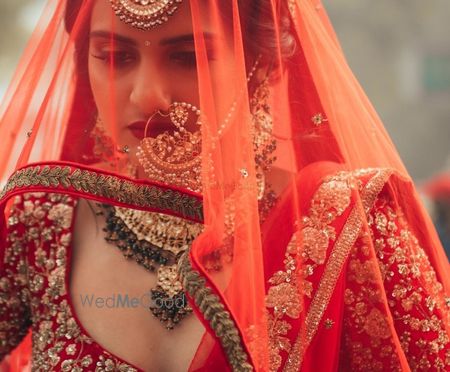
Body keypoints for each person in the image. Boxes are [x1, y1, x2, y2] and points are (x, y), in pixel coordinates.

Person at [0, 0, 449, 371]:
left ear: (260, 65)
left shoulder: (345, 226)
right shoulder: (42, 218)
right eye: (116, 56)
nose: (146, 95)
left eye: (187, 57)